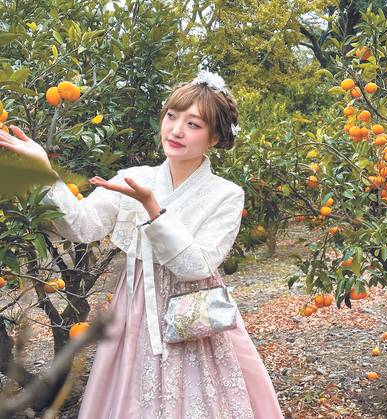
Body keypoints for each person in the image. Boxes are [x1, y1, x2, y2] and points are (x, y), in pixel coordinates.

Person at [0, 70, 284, 419]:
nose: (176, 130)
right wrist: (44, 171)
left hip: (193, 315)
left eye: (193, 124)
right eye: (171, 116)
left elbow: (196, 267)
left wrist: (152, 207)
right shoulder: (134, 179)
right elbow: (81, 226)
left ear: (214, 137)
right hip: (135, 309)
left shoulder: (225, 194)